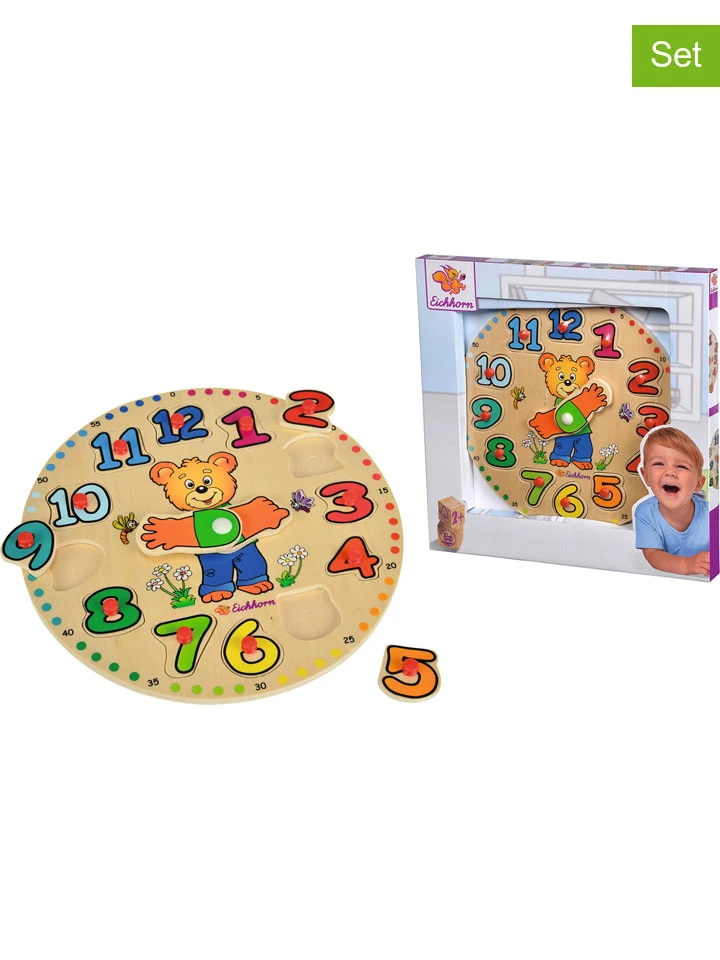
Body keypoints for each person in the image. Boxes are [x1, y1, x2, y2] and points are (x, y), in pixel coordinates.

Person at [634, 426, 710, 576]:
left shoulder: (711, 513)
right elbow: (653, 555)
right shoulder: (645, 513)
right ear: (646, 476)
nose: (670, 472)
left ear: (698, 484)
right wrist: (686, 565)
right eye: (659, 464)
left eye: (681, 466)